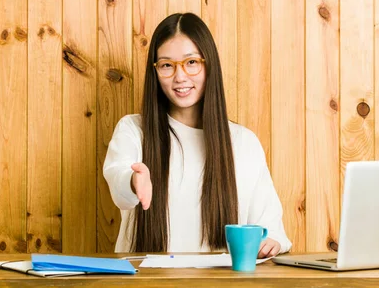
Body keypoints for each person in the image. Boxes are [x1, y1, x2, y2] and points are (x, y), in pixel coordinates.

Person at [103, 13, 292, 258]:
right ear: (156, 71)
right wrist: (133, 181)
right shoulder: (133, 130)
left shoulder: (243, 142)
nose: (180, 76)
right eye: (167, 65)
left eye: (191, 62)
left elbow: (270, 227)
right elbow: (119, 184)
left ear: (208, 64)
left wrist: (272, 242)